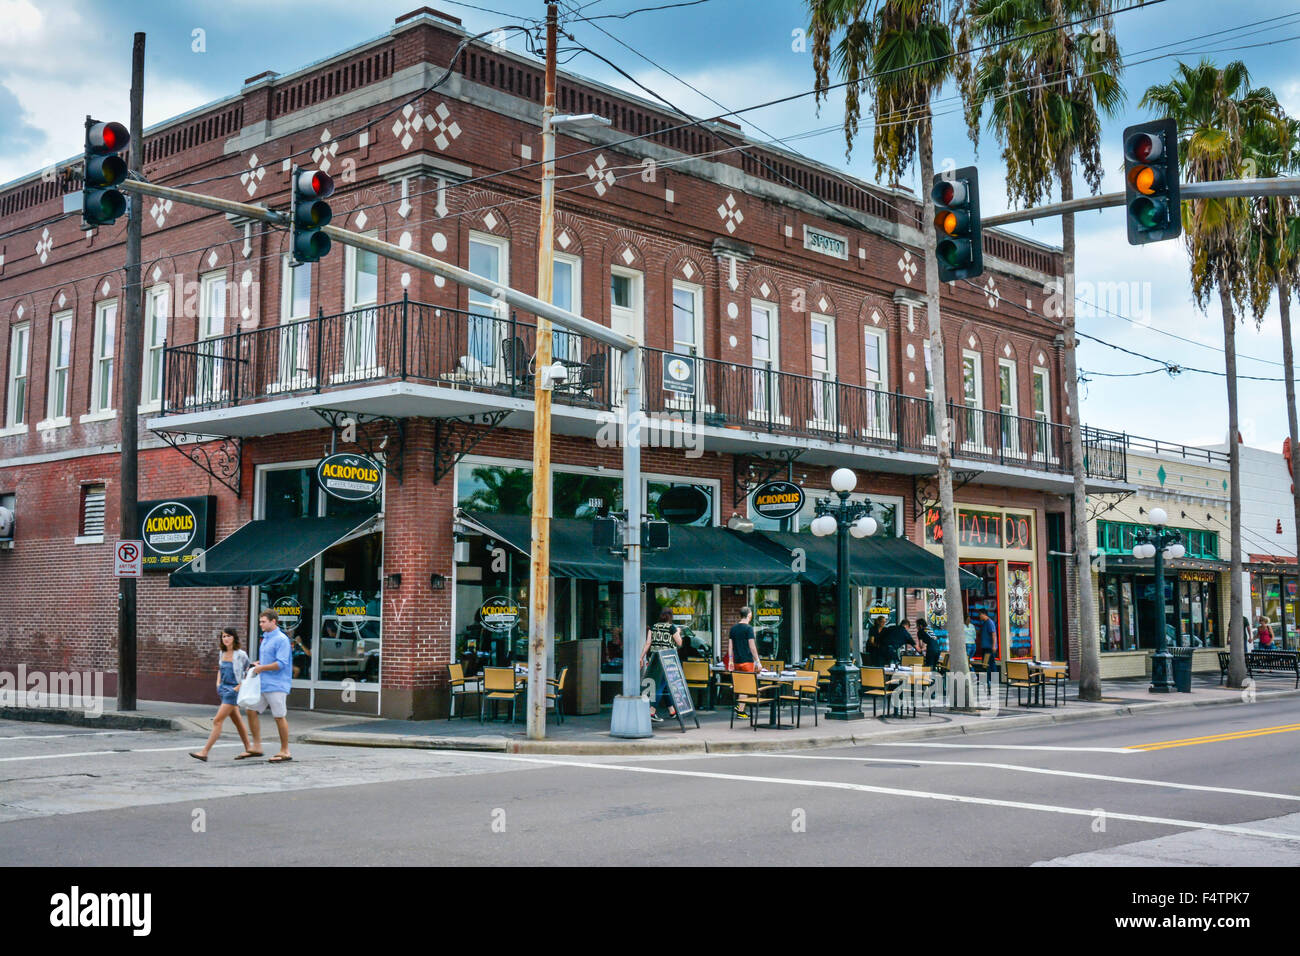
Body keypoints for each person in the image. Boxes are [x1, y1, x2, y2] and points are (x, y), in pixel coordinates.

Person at [189, 628, 254, 762]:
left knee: (217, 720)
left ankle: (204, 752)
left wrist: (237, 688)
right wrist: (218, 684)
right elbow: (220, 669)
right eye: (223, 636)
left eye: (228, 636)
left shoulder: (241, 654)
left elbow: (249, 672)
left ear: (234, 638)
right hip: (223, 689)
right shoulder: (222, 652)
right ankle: (249, 748)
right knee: (237, 720)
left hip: (233, 691)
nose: (226, 639)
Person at [243, 609, 293, 762]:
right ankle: (257, 746)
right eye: (260, 622)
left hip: (277, 685)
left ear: (273, 621)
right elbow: (269, 660)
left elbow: (281, 663)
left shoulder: (281, 639)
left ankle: (285, 750)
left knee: (279, 716)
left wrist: (261, 668)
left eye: (263, 621)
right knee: (250, 710)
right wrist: (258, 664)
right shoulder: (265, 638)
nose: (260, 624)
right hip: (263, 684)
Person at [642, 609, 682, 722]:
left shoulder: (653, 627)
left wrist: (641, 657)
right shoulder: (672, 628)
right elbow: (679, 643)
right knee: (660, 685)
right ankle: (652, 711)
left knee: (664, 685)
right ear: (670, 617)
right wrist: (678, 632)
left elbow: (648, 643)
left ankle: (672, 711)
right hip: (667, 661)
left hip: (654, 660)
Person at [729, 607, 762, 719]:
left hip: (737, 662)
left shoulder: (733, 629)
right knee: (746, 687)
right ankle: (740, 709)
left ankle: (740, 709)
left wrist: (730, 660)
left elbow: (730, 646)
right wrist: (757, 661)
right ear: (749, 615)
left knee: (740, 686)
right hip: (747, 661)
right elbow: (752, 646)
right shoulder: (749, 628)